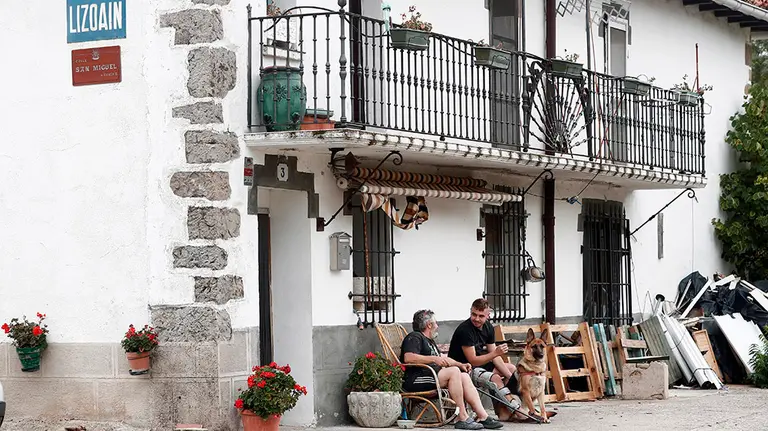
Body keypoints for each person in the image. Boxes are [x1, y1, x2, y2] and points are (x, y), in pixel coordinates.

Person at [401, 309, 503, 430]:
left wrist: (461, 364)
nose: (437, 326)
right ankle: (462, 417)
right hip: (416, 380)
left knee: (463, 375)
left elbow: (444, 359)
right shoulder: (414, 337)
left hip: (431, 376)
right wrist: (434, 359)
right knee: (453, 372)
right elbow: (408, 357)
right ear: (429, 325)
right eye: (436, 323)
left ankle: (482, 416)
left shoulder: (430, 341)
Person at [448, 298, 534, 422]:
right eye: (474, 314)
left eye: (481, 316)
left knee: (512, 370)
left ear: (488, 315)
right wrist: (495, 353)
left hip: (479, 364)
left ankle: (505, 412)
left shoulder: (488, 327)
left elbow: (495, 356)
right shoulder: (464, 330)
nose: (476, 319)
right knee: (495, 378)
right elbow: (473, 360)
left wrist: (512, 377)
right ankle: (519, 412)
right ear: (470, 312)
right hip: (463, 369)